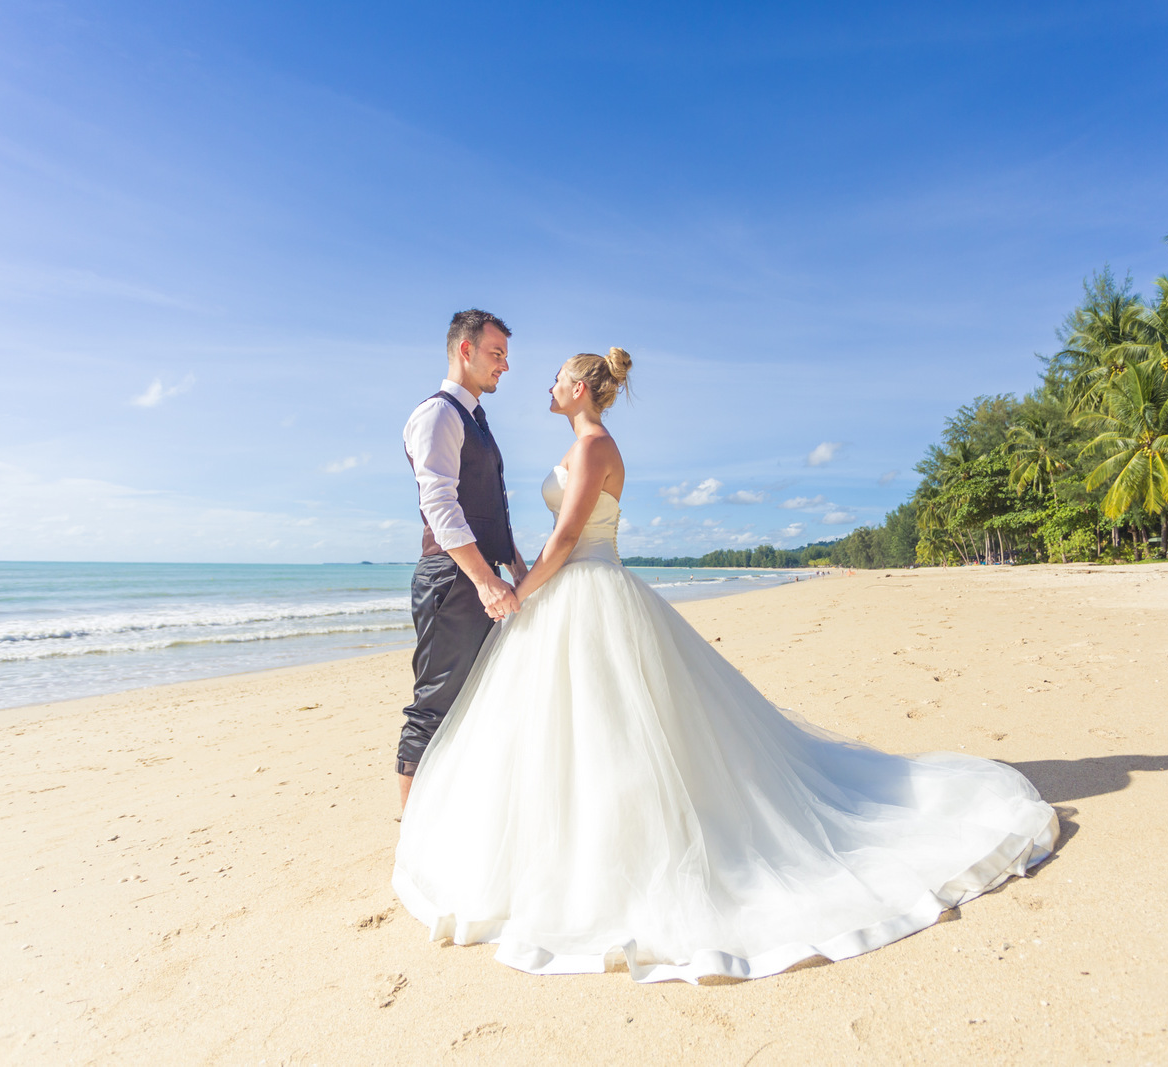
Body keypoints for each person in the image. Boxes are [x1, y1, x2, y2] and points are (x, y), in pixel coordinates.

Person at [392, 348, 1057, 983]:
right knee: (566, 732)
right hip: (565, 591)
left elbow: (569, 539)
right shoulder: (576, 446)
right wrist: (521, 576)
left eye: (560, 378)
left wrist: (518, 593)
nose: (548, 385)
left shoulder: (595, 446)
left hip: (588, 588)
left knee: (617, 728)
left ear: (584, 390)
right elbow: (556, 534)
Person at [396, 309, 526, 814]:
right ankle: (411, 829)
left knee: (481, 699)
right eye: (497, 354)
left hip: (479, 575)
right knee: (434, 705)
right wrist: (485, 583)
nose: (505, 367)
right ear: (464, 350)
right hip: (452, 580)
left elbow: (490, 504)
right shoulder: (437, 414)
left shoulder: (475, 417)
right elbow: (441, 506)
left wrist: (514, 565)